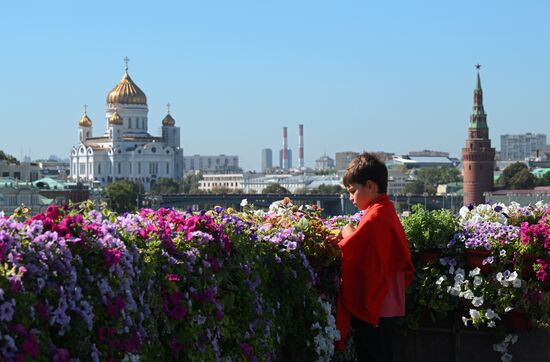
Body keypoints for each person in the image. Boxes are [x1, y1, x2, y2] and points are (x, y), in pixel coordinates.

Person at [329, 152, 414, 362]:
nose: (350, 197)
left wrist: (347, 229)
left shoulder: (375, 215)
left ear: (370, 186)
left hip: (377, 303)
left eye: (352, 191)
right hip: (388, 302)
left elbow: (354, 246)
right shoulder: (385, 209)